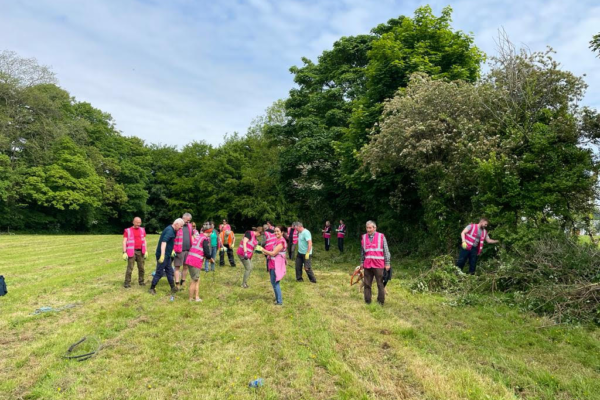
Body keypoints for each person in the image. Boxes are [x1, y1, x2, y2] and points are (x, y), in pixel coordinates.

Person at [149, 218, 184, 295]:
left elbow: (169, 242)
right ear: (176, 224)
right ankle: (152, 288)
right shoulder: (170, 231)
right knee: (159, 272)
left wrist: (171, 250)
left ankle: (172, 288)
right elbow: (164, 242)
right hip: (163, 255)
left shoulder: (172, 230)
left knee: (169, 271)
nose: (181, 228)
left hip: (167, 254)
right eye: (181, 226)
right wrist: (162, 255)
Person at [360, 220, 390, 305]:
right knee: (367, 284)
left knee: (380, 284)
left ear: (374, 228)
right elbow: (362, 252)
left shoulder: (381, 236)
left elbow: (386, 250)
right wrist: (362, 262)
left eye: (370, 228)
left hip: (378, 264)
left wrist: (387, 263)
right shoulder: (364, 237)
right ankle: (367, 301)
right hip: (368, 264)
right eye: (367, 228)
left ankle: (380, 302)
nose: (368, 230)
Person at [184, 225, 212, 302]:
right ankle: (190, 298)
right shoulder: (205, 239)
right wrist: (210, 258)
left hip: (190, 259)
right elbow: (207, 252)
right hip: (195, 261)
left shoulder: (199, 236)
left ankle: (196, 297)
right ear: (209, 232)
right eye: (211, 231)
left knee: (197, 279)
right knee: (194, 280)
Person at [261, 226, 287, 306]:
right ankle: (277, 298)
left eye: (278, 231)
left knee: (275, 282)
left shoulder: (281, 241)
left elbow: (273, 253)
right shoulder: (277, 240)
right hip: (272, 263)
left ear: (282, 232)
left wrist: (262, 249)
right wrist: (265, 252)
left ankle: (279, 301)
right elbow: (272, 252)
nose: (276, 233)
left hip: (277, 264)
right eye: (275, 231)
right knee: (273, 282)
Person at [122, 217, 148, 288]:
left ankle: (141, 281)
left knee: (141, 268)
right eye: (137, 222)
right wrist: (124, 252)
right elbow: (124, 241)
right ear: (133, 222)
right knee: (130, 268)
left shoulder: (142, 230)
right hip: (131, 252)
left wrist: (145, 250)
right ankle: (127, 283)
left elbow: (144, 240)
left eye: (139, 223)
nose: (138, 224)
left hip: (140, 252)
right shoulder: (128, 230)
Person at [173, 212, 193, 291]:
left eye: (189, 221)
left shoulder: (190, 226)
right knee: (177, 266)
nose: (188, 222)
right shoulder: (177, 226)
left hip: (188, 249)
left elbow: (192, 235)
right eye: (187, 220)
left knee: (185, 267)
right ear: (183, 218)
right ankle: (177, 283)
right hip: (179, 250)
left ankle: (183, 280)